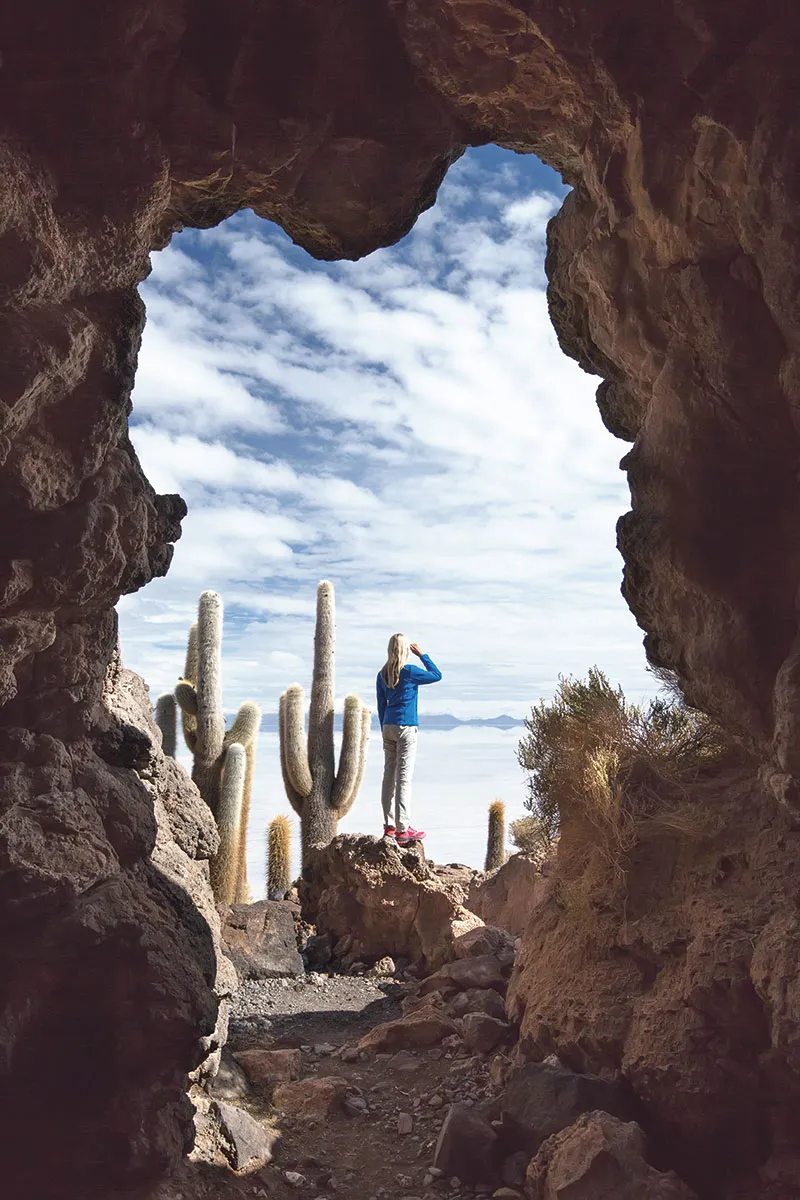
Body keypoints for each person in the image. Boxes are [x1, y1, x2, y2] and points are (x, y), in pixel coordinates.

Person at [376, 633, 442, 845]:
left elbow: (381, 705)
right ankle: (403, 831)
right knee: (403, 779)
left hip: (388, 726)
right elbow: (436, 675)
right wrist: (422, 655)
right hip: (406, 727)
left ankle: (389, 827)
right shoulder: (410, 672)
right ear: (405, 650)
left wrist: (384, 729)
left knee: (388, 776)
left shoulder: (381, 674)